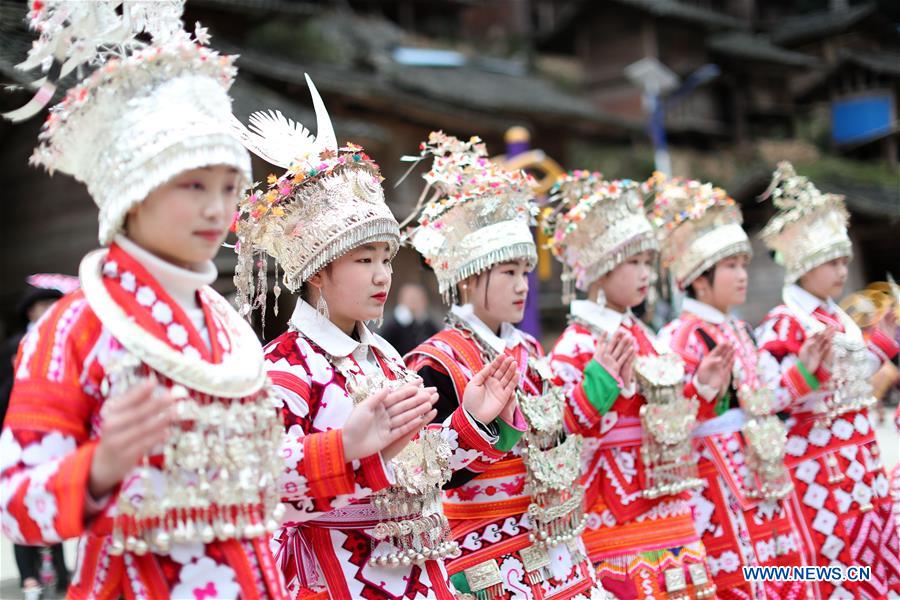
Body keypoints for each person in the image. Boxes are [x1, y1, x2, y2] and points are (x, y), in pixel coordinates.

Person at [0, 2, 289, 596]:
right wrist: (101, 467)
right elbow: (15, 507)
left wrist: (348, 446)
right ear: (134, 192)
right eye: (193, 184)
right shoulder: (74, 327)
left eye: (230, 187)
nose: (218, 208)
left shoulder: (224, 325)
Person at [232, 90, 514, 598]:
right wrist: (349, 452)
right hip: (336, 576)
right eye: (364, 261)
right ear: (318, 272)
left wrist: (471, 419)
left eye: (386, 259)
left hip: (422, 577)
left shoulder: (386, 358)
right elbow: (264, 485)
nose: (383, 275)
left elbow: (423, 469)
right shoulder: (285, 370)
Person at [405, 134, 609, 599]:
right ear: (471, 276)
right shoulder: (436, 361)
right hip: (486, 560)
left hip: (555, 544)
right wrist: (478, 422)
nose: (523, 287)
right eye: (509, 272)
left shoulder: (530, 350)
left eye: (525, 271)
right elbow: (428, 471)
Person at [544, 171, 718, 598]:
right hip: (612, 510)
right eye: (633, 262)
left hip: (667, 500)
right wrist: (597, 389)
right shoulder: (576, 343)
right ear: (601, 268)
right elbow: (557, 439)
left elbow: (664, 421)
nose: (645, 273)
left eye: (647, 262)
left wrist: (703, 393)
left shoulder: (646, 336)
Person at [651, 175, 808, 598]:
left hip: (762, 470)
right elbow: (668, 427)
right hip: (715, 480)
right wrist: (703, 392)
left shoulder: (740, 328)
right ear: (700, 278)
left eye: (744, 264)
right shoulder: (680, 338)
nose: (743, 275)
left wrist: (808, 371)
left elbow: (768, 397)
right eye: (732, 266)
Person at [755, 162, 900, 598]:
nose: (842, 270)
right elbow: (769, 399)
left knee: (875, 559)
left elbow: (853, 382)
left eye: (844, 260)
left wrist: (883, 344)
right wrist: (803, 373)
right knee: (834, 570)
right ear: (804, 264)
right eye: (832, 261)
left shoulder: (838, 318)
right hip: (817, 474)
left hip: (861, 464)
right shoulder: (784, 323)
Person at [2, 276, 78, 599]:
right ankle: (29, 576)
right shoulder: (14, 345)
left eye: (52, 303)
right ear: (30, 311)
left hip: (54, 432)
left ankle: (61, 573)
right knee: (20, 500)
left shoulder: (66, 339)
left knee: (52, 499)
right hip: (17, 428)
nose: (48, 309)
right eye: (42, 304)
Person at [380, 283, 439, 356]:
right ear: (401, 300)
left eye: (418, 298)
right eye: (411, 299)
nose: (414, 302)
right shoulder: (393, 325)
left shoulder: (428, 324)